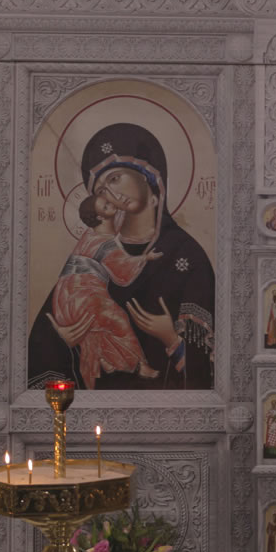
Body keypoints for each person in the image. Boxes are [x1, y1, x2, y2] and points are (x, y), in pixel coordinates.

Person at [28, 123, 215, 390]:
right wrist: (61, 342)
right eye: (101, 191)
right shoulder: (93, 253)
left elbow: (209, 369)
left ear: (148, 175)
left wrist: (171, 338)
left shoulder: (185, 255)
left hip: (164, 407)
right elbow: (49, 332)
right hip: (95, 404)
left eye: (115, 178)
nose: (111, 194)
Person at [50, 192, 161, 390]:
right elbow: (122, 267)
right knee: (118, 320)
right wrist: (145, 258)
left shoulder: (91, 234)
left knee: (101, 327)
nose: (112, 204)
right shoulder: (105, 242)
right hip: (82, 294)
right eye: (106, 205)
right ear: (100, 216)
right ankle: (139, 366)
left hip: (65, 298)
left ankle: (105, 360)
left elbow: (119, 220)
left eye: (109, 202)